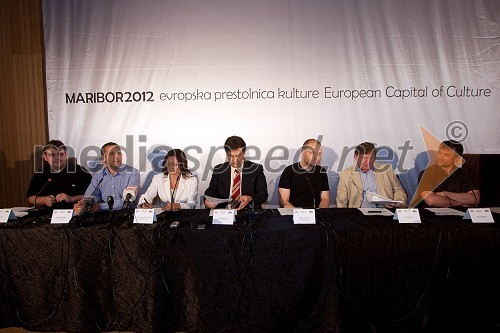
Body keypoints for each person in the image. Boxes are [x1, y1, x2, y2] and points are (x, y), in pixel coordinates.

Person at [73, 142, 140, 214]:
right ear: (103, 158)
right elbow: (90, 195)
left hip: (126, 214)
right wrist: (84, 204)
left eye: (119, 153)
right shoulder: (98, 175)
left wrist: (101, 207)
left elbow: (128, 201)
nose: (117, 156)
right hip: (103, 214)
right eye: (112, 154)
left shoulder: (132, 173)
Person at [336, 142, 407, 208]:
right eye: (364, 158)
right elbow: (341, 202)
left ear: (375, 157)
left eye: (371, 158)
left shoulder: (387, 170)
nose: (368, 162)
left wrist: (397, 202)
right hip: (358, 213)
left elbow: (399, 191)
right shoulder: (345, 175)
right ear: (355, 157)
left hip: (385, 211)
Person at [204, 136, 268, 209]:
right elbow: (211, 191)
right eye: (231, 156)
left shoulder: (256, 169)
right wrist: (208, 201)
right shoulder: (219, 169)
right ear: (226, 154)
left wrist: (250, 198)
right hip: (224, 212)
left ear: (244, 153)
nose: (235, 160)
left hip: (247, 211)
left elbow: (263, 194)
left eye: (238, 156)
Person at [26, 140, 91, 209]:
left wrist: (72, 198)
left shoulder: (80, 171)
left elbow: (93, 196)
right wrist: (44, 200)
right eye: (52, 155)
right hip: (48, 215)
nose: (57, 158)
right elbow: (30, 198)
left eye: (61, 154)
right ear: (45, 157)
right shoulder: (40, 174)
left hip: (75, 213)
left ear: (66, 155)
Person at [413, 140, 480, 207]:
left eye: (446, 155)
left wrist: (446, 194)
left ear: (456, 158)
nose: (440, 158)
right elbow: (431, 201)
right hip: (432, 215)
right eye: (439, 153)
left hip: (461, 214)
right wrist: (460, 202)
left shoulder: (465, 174)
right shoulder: (426, 173)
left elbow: (475, 199)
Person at [278, 139, 330, 208]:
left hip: (316, 213)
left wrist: (320, 213)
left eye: (319, 154)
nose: (316, 157)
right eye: (312, 152)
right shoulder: (289, 171)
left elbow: (325, 199)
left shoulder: (321, 171)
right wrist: (298, 214)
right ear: (303, 152)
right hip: (294, 213)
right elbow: (284, 201)